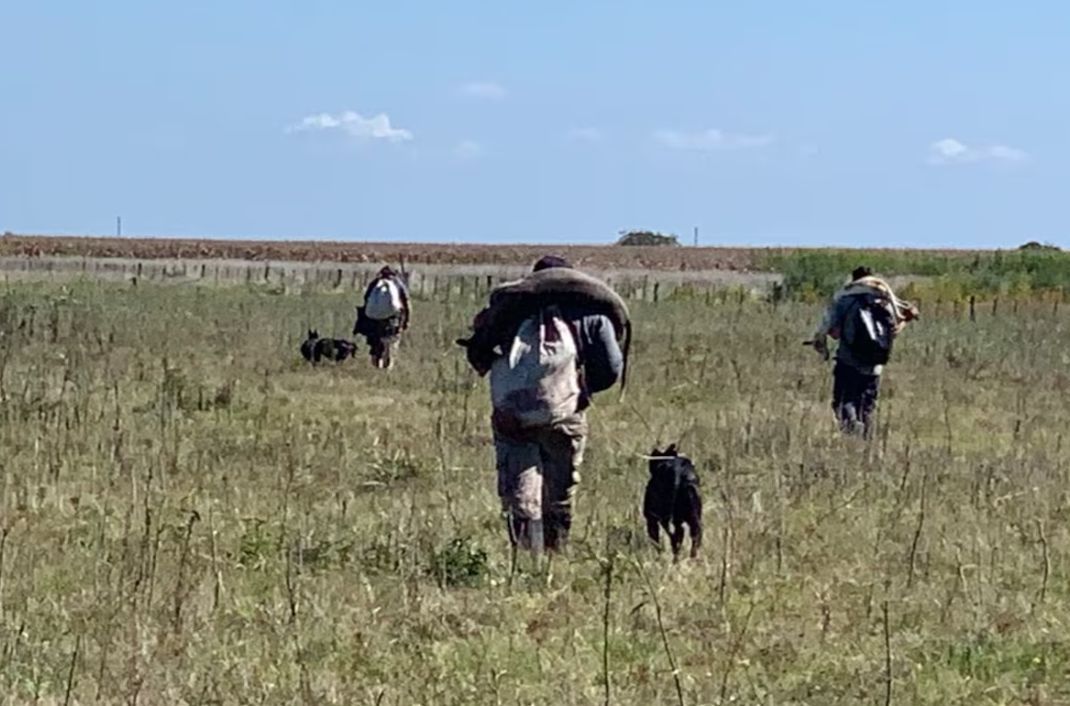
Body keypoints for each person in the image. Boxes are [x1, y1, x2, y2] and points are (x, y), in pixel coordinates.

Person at [458, 255, 629, 553]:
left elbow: (479, 354)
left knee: (519, 494)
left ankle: (526, 560)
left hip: (512, 417)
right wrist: (583, 392)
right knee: (559, 491)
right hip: (564, 415)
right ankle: (555, 555)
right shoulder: (592, 317)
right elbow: (612, 368)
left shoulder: (507, 313)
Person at [809, 266, 919, 437]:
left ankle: (852, 432)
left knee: (844, 401)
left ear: (854, 279)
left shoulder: (844, 300)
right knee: (866, 406)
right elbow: (894, 331)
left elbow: (835, 333)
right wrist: (907, 320)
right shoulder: (885, 301)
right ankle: (865, 441)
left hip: (848, 361)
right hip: (875, 365)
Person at [354, 266, 411, 369]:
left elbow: (366, 299)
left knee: (375, 343)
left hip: (374, 320)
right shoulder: (398, 283)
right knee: (390, 342)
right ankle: (387, 367)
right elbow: (406, 302)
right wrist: (406, 319)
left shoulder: (375, 283)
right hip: (392, 318)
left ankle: (376, 366)